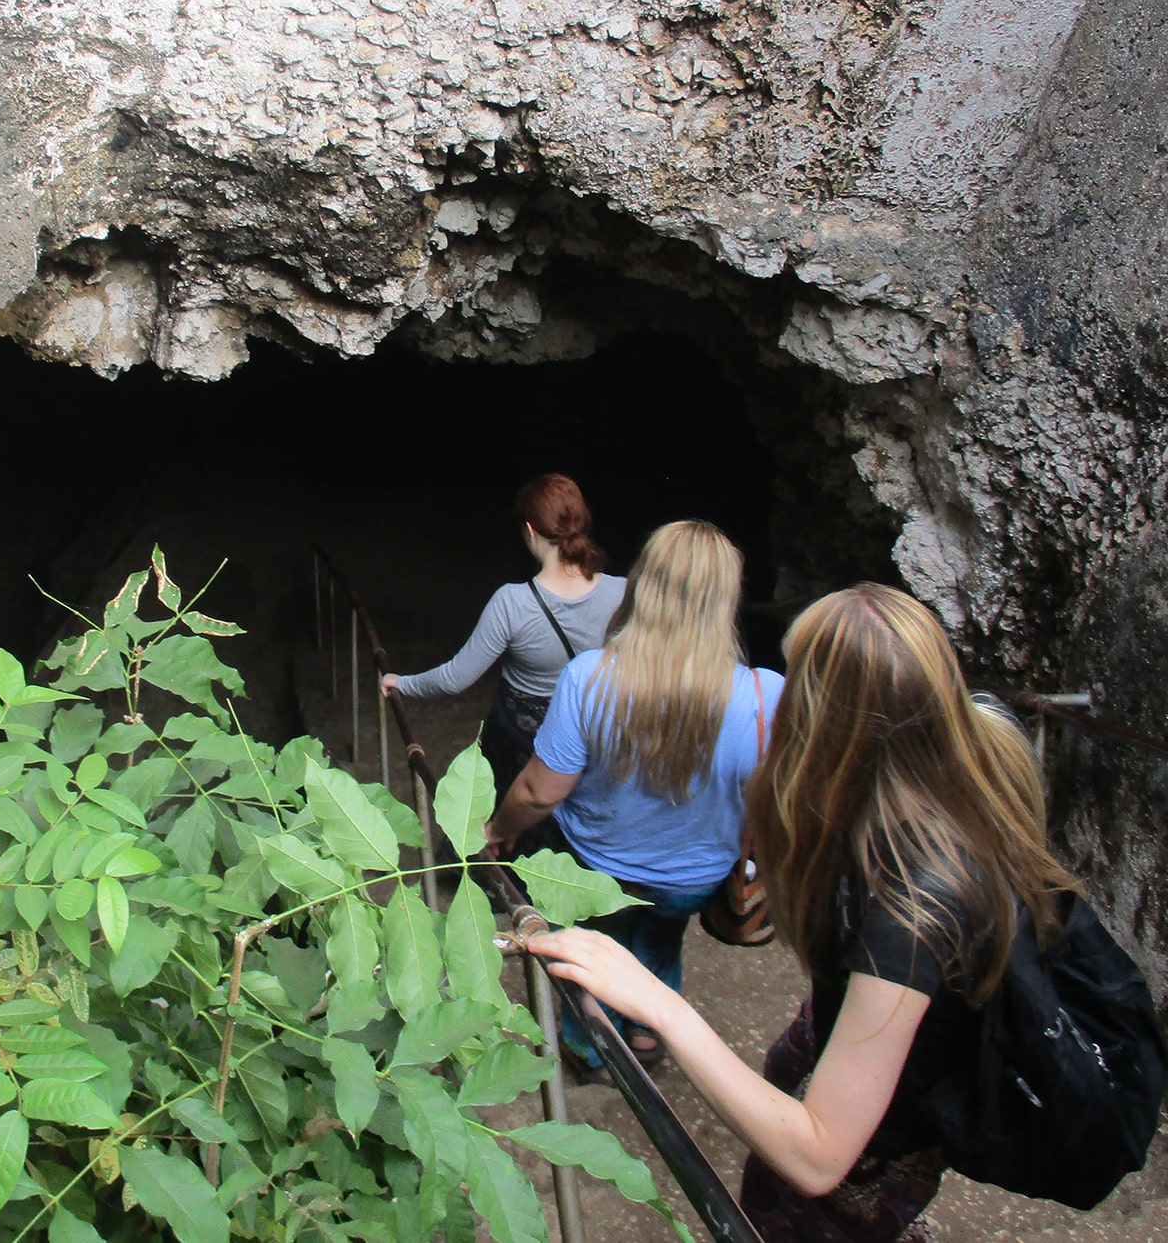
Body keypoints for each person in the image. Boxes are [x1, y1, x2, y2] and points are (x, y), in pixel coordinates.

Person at [528, 583, 1076, 1241]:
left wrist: (656, 1002)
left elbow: (819, 1156)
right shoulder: (918, 803)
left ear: (823, 718)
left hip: (859, 1176)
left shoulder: (910, 917)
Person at [487, 520, 785, 1080]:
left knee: (590, 948)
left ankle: (592, 1048)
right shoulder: (768, 696)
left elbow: (538, 791)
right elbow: (769, 799)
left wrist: (498, 829)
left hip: (593, 866)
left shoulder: (588, 679)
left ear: (642, 585)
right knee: (661, 936)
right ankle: (648, 1033)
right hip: (693, 877)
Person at [380, 474, 625, 813]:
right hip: (591, 742)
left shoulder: (512, 603)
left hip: (518, 748)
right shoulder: (623, 593)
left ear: (530, 530)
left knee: (485, 832)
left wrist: (401, 684)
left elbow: (455, 678)